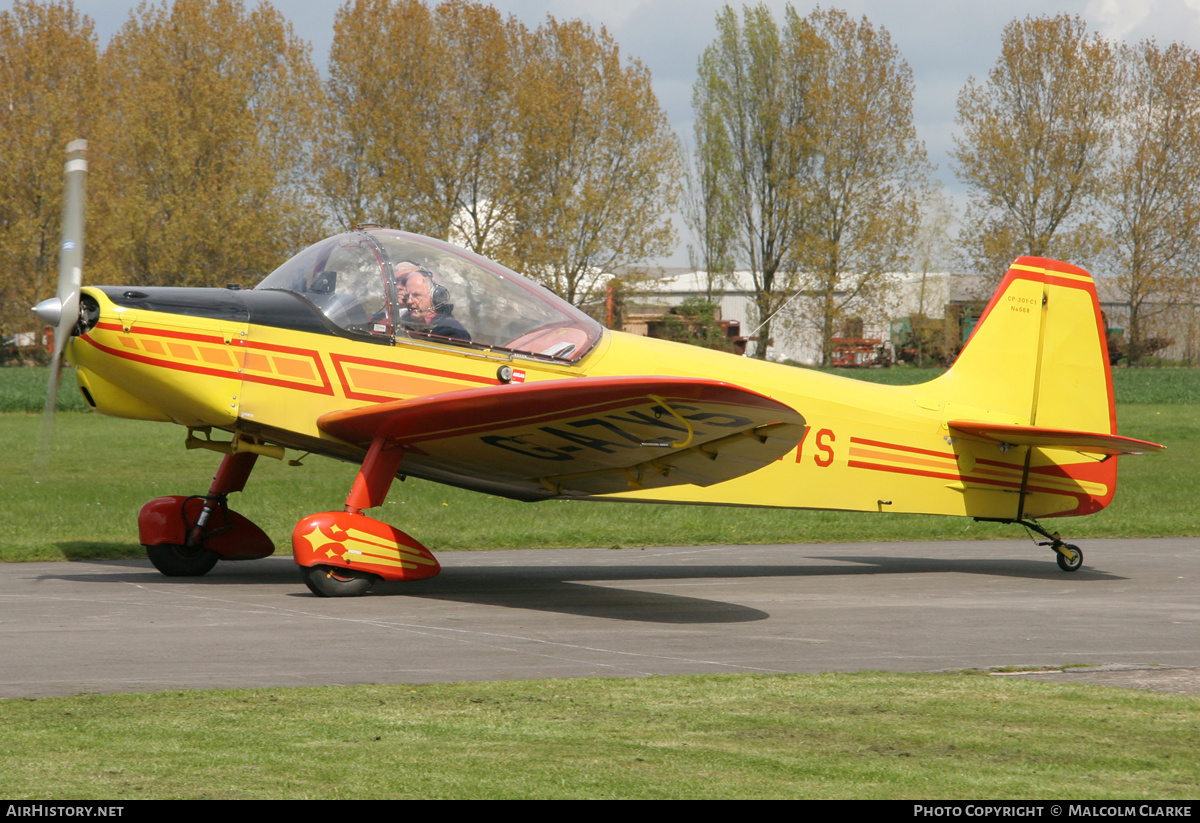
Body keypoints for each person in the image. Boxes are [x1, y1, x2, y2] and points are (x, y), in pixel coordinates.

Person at [394, 263, 471, 342]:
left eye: (416, 295)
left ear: (436, 296)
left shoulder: (451, 332)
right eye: (407, 296)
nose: (409, 301)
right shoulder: (405, 325)